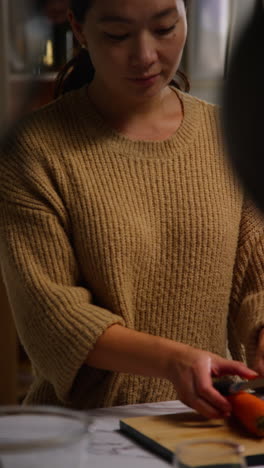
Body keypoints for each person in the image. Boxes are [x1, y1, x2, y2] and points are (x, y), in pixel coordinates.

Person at [0, 0, 264, 418]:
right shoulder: (33, 151)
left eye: (164, 29)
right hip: (85, 431)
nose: (145, 56)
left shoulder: (224, 137)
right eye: (117, 35)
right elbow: (54, 319)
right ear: (79, 29)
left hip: (209, 422)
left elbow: (258, 280)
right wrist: (172, 360)